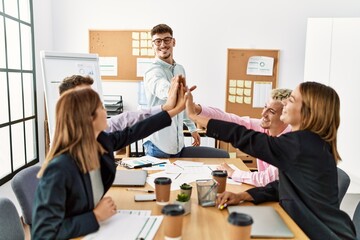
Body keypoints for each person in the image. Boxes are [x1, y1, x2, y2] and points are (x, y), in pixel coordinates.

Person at [186, 82, 356, 239]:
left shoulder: (300, 144)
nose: (285, 106)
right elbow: (283, 185)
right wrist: (244, 195)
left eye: (290, 100)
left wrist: (193, 115)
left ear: (307, 112)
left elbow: (246, 138)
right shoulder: (309, 143)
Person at [32, 80, 189, 239]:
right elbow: (42, 234)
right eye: (101, 107)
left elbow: (133, 132)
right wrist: (95, 216)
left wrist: (175, 110)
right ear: (89, 118)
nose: (105, 110)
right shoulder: (59, 169)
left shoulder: (100, 142)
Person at [192, 88, 291, 187]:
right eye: (265, 106)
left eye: (272, 112)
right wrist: (197, 109)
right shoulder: (264, 128)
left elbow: (266, 179)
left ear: (286, 116)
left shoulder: (288, 143)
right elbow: (230, 119)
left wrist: (233, 173)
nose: (263, 114)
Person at [143, 23, 201, 158]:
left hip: (177, 144)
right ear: (153, 45)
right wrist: (174, 91)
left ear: (173, 42)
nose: (163, 45)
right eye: (158, 41)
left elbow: (182, 105)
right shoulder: (152, 71)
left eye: (166, 40)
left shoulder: (180, 69)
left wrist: (192, 128)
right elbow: (161, 88)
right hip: (158, 145)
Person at [58, 74, 179, 132]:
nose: (95, 102)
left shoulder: (101, 133)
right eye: (86, 97)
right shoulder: (63, 157)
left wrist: (166, 107)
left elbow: (128, 120)